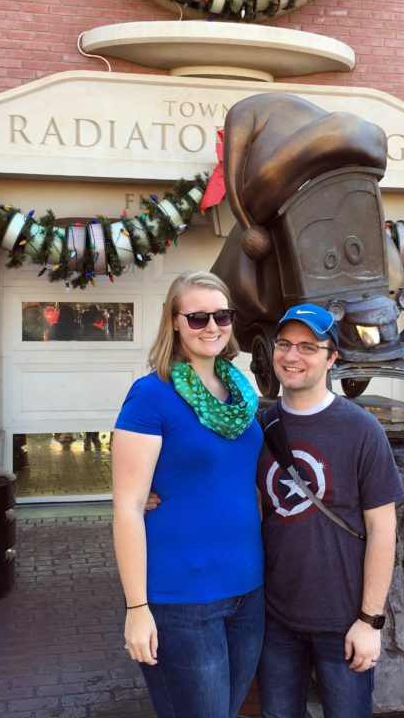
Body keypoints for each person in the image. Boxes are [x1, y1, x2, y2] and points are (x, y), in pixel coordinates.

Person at [111, 270, 265, 718]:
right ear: (174, 322)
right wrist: (137, 608)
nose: (212, 326)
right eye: (197, 318)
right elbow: (127, 506)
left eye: (222, 315)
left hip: (248, 591)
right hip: (181, 598)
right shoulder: (150, 396)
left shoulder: (241, 393)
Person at [257, 303, 404, 718]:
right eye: (284, 344)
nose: (292, 356)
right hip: (276, 621)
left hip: (343, 622)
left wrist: (370, 621)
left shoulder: (361, 430)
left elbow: (382, 529)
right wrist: (156, 493)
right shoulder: (259, 427)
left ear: (331, 358)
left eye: (308, 347)